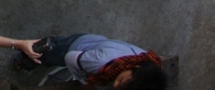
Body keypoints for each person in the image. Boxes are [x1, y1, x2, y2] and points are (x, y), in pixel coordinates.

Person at [11, 32, 167, 89]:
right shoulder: (100, 62)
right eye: (120, 80)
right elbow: (70, 58)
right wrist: (85, 81)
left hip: (98, 43)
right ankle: (23, 59)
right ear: (137, 67)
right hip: (74, 47)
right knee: (46, 53)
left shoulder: (149, 61)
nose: (115, 85)